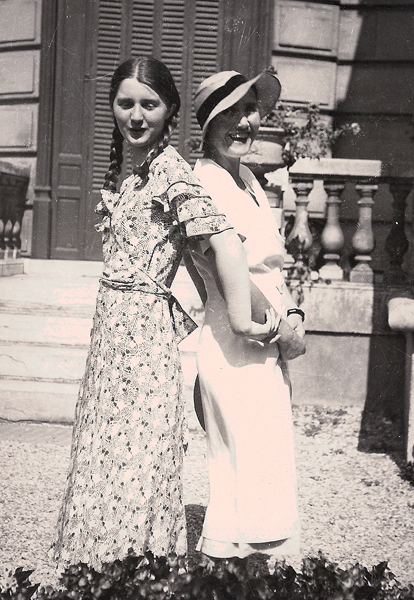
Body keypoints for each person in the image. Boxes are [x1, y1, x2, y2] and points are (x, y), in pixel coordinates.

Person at [51, 57, 277, 569]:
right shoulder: (133, 172)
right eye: (125, 103)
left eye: (148, 104)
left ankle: (134, 566)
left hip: (143, 335)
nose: (135, 115)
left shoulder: (172, 169)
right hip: (111, 332)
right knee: (108, 442)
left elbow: (223, 240)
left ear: (169, 110)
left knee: (137, 449)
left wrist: (242, 318)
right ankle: (101, 564)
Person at [186, 69, 306, 560]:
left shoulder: (249, 180)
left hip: (269, 334)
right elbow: (229, 267)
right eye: (229, 112)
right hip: (235, 335)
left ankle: (257, 575)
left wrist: (294, 313)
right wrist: (284, 331)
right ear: (208, 124)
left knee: (264, 457)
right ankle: (229, 573)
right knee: (243, 458)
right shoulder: (204, 182)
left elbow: (274, 265)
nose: (243, 122)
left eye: (249, 110)